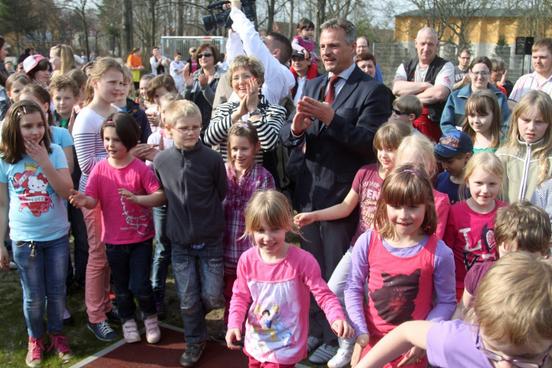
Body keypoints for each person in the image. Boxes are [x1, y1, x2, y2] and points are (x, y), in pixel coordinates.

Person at [280, 18, 391, 364]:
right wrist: (295, 128)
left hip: (344, 200)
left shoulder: (372, 91)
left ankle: (335, 335)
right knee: (310, 271)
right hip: (309, 193)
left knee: (336, 276)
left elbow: (370, 146)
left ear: (352, 47)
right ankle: (314, 329)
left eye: (334, 45)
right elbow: (289, 136)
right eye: (323, 46)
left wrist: (332, 118)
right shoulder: (311, 84)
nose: (327, 51)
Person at [294, 121, 411, 368]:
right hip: (357, 248)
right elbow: (346, 207)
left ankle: (371, 347)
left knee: (372, 301)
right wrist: (314, 215)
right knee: (334, 289)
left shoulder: (404, 181)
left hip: (385, 254)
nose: (384, 154)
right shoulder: (365, 173)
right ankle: (347, 344)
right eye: (380, 148)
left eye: (391, 149)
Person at [356, 251, 552, 368]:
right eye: (492, 351)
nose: (505, 366)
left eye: (526, 358)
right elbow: (407, 332)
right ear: (476, 319)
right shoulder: (459, 340)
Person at [225, 189, 354, 367]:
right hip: (256, 341)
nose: (267, 237)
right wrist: (234, 323)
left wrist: (336, 317)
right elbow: (240, 295)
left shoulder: (303, 261)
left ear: (287, 225)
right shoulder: (247, 260)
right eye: (260, 230)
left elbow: (323, 294)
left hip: (285, 346)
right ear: (251, 229)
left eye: (275, 229)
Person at [344, 164, 456, 367]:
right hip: (372, 344)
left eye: (413, 207)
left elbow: (446, 302)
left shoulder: (440, 253)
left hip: (411, 351)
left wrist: (424, 336)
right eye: (396, 206)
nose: (404, 215)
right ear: (384, 205)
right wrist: (361, 330)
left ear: (427, 206)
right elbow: (353, 287)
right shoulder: (368, 242)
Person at [69, 113, 165, 345]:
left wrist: (138, 199)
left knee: (140, 284)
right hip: (113, 241)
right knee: (121, 287)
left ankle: (150, 318)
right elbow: (93, 200)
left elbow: (160, 196)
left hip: (141, 239)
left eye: (117, 140)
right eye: (107, 139)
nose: (110, 145)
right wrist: (83, 200)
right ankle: (127, 321)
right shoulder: (100, 170)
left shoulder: (140, 168)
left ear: (130, 141)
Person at [0, 100, 74, 367]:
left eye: (39, 124)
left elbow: (67, 191)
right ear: (14, 128)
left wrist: (44, 162)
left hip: (56, 237)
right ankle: (36, 338)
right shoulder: (5, 158)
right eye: (27, 126)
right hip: (23, 239)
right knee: (32, 296)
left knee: (56, 292)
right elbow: (2, 204)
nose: (35, 131)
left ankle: (56, 334)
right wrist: (1, 243)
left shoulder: (53, 152)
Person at [153, 100, 227, 367]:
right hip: (181, 243)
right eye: (184, 128)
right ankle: (195, 340)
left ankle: (207, 319)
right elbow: (163, 194)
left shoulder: (212, 158)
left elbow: (221, 191)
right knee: (187, 297)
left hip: (210, 239)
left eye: (196, 127)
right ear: (169, 128)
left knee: (211, 295)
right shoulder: (161, 161)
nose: (191, 132)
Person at [73, 57, 125, 342]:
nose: (118, 87)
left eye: (121, 82)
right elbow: (86, 165)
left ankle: (105, 304)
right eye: (112, 82)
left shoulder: (116, 110)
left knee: (108, 255)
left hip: (115, 193)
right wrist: (124, 158)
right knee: (98, 255)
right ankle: (95, 315)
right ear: (95, 83)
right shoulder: (86, 118)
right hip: (94, 196)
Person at [222, 122, 275, 322]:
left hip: (250, 248)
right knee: (229, 291)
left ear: (256, 147)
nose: (239, 154)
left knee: (251, 291)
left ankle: (251, 326)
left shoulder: (263, 177)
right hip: (225, 245)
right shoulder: (222, 171)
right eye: (234, 149)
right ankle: (231, 325)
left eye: (244, 148)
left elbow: (267, 214)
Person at [204, 55, 287, 181]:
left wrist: (253, 111)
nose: (241, 82)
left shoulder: (275, 111)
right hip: (227, 181)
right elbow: (210, 138)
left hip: (260, 182)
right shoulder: (224, 109)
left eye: (246, 76)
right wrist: (237, 114)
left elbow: (269, 143)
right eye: (235, 78)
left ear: (258, 81)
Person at [460, 201, 551, 314]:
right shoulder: (479, 274)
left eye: (525, 258)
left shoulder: (546, 286)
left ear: (543, 253)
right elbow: (463, 312)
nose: (513, 262)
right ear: (497, 245)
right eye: (507, 254)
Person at [443, 152, 506, 301]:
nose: (485, 190)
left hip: (495, 287)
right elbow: (447, 252)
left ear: (500, 183)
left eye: (492, 184)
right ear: (467, 181)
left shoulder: (506, 212)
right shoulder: (455, 212)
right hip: (460, 287)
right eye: (479, 183)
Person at [225, 0, 295, 105]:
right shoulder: (258, 71)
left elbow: (251, 41)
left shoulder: (277, 74)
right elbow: (234, 60)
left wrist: (236, 10)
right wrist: (234, 30)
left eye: (263, 43)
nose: (260, 44)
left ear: (275, 53)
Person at [392, 27, 455, 142]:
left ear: (437, 45)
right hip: (405, 127)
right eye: (423, 43)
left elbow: (439, 94)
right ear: (416, 44)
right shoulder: (405, 66)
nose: (426, 48)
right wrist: (425, 85)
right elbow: (396, 88)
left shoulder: (446, 66)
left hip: (432, 128)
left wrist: (406, 99)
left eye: (430, 44)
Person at [496, 90, 552, 202]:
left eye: (539, 122)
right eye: (526, 120)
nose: (531, 127)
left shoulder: (549, 159)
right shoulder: (502, 155)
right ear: (516, 119)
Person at [395, 134, 451, 238]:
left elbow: (436, 238)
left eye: (421, 166)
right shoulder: (392, 194)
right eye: (408, 166)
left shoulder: (439, 201)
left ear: (431, 166)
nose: (415, 171)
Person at [440, 56, 510, 135]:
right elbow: (446, 124)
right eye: (476, 73)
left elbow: (506, 126)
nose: (480, 77)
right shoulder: (455, 97)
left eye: (484, 73)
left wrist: (492, 141)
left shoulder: (499, 98)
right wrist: (459, 138)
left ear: (490, 74)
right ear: (470, 73)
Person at [183, 43, 223, 135]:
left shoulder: (223, 77)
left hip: (216, 128)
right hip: (196, 128)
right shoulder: (193, 76)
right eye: (200, 55)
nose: (203, 57)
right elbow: (186, 104)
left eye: (207, 55)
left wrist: (205, 88)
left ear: (215, 57)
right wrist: (188, 87)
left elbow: (220, 105)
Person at [434, 130, 473, 204]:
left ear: (467, 157)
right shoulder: (440, 178)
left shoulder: (474, 186)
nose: (444, 166)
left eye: (449, 162)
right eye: (441, 161)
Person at [510, 38, 552, 103]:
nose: (538, 61)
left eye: (543, 57)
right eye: (535, 57)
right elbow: (511, 106)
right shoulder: (523, 81)